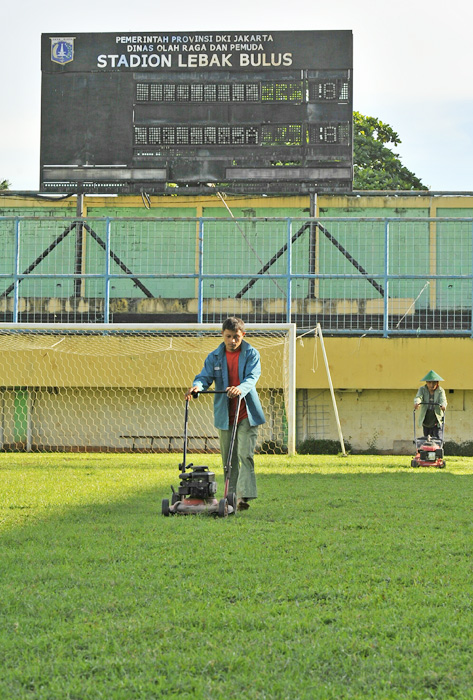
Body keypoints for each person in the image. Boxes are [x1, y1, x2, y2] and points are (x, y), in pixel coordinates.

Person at [185, 317, 265, 511]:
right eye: (228, 337)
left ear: (243, 335)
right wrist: (197, 386)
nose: (232, 341)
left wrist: (240, 388)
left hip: (246, 413)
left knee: (245, 455)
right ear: (222, 335)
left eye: (236, 337)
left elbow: (252, 377)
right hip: (225, 415)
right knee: (228, 460)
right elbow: (204, 377)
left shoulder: (252, 354)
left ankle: (242, 497)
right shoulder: (214, 357)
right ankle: (230, 496)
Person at [414, 370, 447, 439]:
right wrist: (417, 403)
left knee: (438, 439)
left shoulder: (441, 391)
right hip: (426, 418)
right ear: (426, 382)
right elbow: (418, 397)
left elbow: (443, 400)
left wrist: (443, 406)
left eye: (434, 383)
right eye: (429, 382)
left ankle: (437, 449)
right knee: (426, 439)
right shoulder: (422, 389)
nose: (432, 385)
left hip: (436, 419)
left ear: (437, 383)